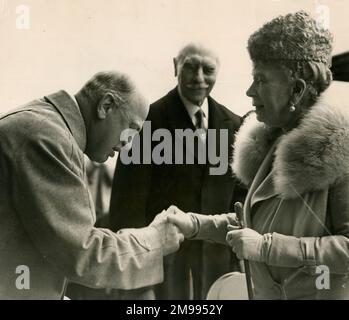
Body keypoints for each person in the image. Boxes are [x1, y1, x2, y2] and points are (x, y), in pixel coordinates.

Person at [168, 11, 349, 300]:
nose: (250, 91)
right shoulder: (276, 143)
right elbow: (256, 227)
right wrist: (195, 224)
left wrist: (267, 247)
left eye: (261, 80)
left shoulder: (342, 150)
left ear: (296, 90)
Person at [0, 71, 184, 300]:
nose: (128, 145)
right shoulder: (47, 138)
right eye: (132, 129)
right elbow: (82, 253)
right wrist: (155, 240)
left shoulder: (45, 125)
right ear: (106, 105)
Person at [109, 43, 244, 299]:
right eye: (190, 67)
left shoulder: (234, 124)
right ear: (175, 66)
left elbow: (238, 200)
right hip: (162, 267)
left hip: (218, 266)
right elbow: (126, 205)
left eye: (208, 69)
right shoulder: (148, 121)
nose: (199, 78)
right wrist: (137, 282)